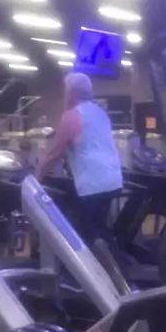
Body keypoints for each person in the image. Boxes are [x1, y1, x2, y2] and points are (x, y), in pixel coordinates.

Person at [37, 72, 123, 250]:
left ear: (71, 92)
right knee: (101, 229)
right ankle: (115, 260)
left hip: (92, 185)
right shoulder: (100, 113)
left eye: (65, 90)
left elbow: (54, 153)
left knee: (86, 234)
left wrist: (35, 178)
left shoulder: (71, 116)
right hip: (113, 180)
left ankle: (101, 264)